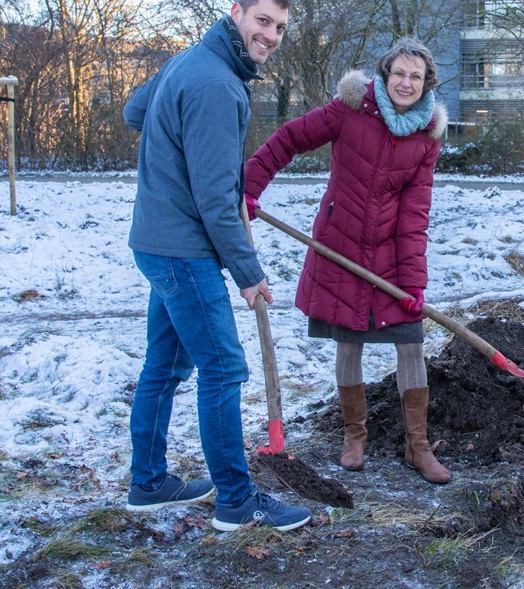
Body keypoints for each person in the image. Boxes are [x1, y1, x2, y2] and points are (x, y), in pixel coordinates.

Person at [120, 0, 312, 532]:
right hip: (185, 249)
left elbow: (135, 113)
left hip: (157, 241)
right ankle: (236, 499)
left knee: (166, 364)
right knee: (224, 368)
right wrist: (249, 272)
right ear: (237, 11)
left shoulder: (191, 60)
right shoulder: (218, 85)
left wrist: (171, 147)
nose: (271, 35)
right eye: (263, 21)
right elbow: (214, 197)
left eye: (280, 27)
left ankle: (149, 482)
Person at [242, 38, 451, 484]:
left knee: (411, 342)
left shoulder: (427, 135)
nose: (406, 82)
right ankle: (354, 436)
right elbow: (289, 139)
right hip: (341, 246)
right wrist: (250, 186)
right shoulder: (350, 109)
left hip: (394, 255)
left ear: (426, 83)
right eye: (399, 73)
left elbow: (416, 214)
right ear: (385, 74)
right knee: (349, 339)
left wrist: (414, 282)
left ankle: (418, 445)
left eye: (416, 76)